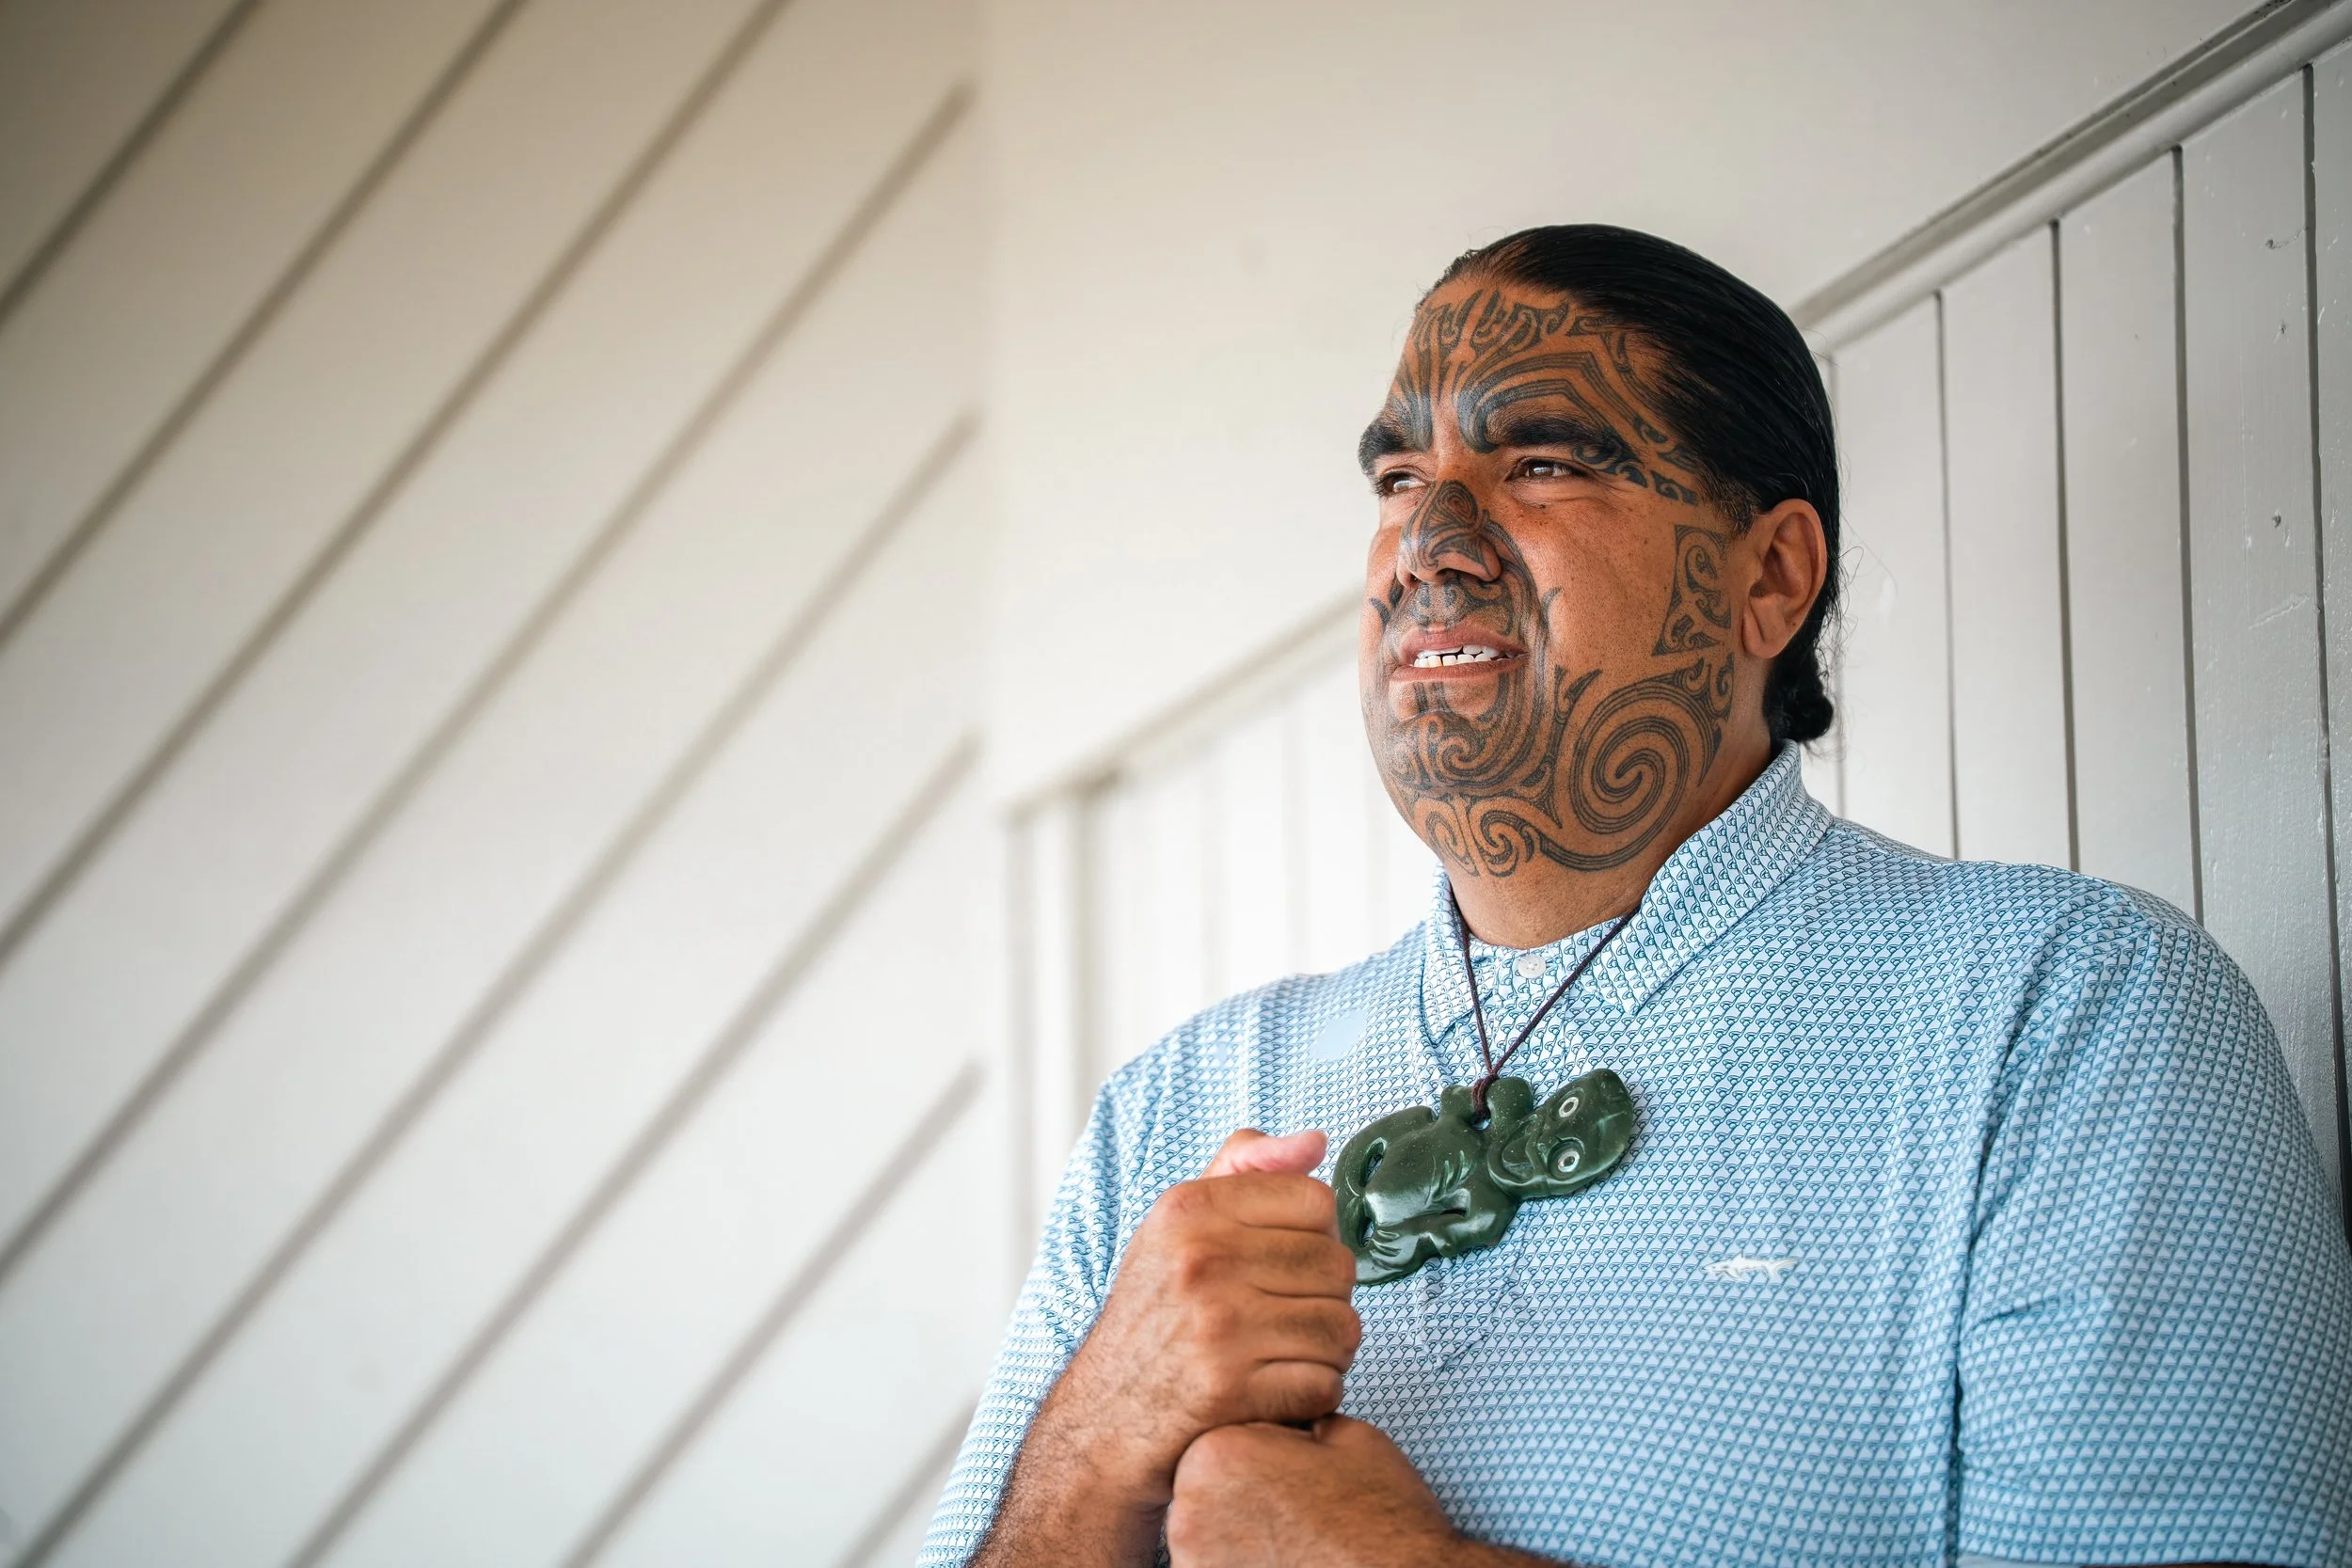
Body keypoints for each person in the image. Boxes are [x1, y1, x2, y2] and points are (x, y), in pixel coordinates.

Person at [919, 225, 2352, 1567]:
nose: (1429, 539)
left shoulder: (2064, 1021)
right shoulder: (1172, 1110)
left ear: (1771, 577)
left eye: (1541, 460)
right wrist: (1102, 1429)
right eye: (1399, 478)